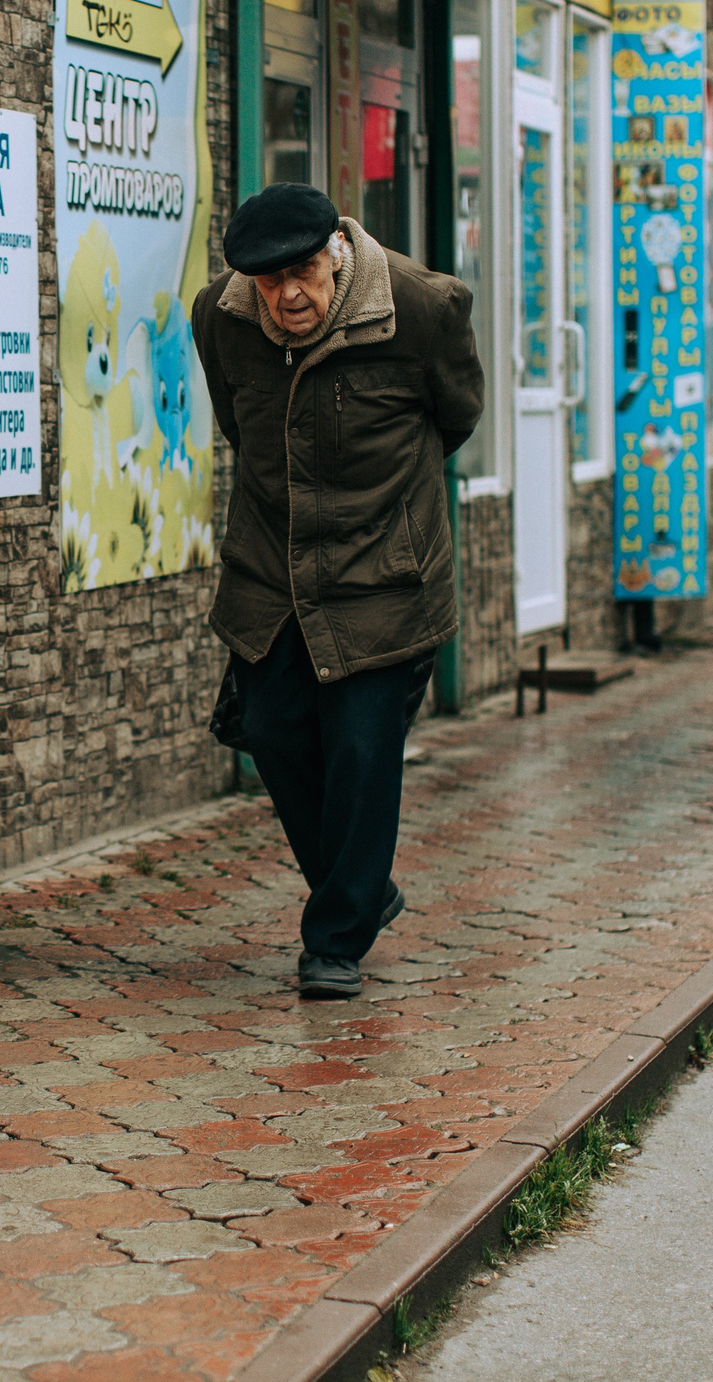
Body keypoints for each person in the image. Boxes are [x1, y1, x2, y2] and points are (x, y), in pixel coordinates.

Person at [193, 184, 484, 999]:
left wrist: (390, 500)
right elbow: (238, 423)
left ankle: (336, 938)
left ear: (336, 253)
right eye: (268, 278)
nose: (289, 293)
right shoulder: (221, 317)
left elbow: (457, 414)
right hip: (271, 567)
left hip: (382, 569)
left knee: (361, 750)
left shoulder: (420, 309)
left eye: (304, 271)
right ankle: (363, 885)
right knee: (274, 729)